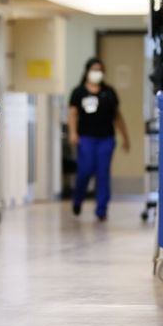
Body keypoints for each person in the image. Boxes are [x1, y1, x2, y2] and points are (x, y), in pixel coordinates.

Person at [67, 58, 130, 220]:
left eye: (100, 69)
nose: (97, 73)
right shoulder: (79, 92)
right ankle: (78, 199)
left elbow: (117, 116)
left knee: (103, 173)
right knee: (85, 170)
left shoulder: (109, 92)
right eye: (94, 69)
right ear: (87, 71)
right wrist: (73, 133)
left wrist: (125, 137)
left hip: (106, 138)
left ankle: (101, 209)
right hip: (86, 138)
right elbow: (73, 114)